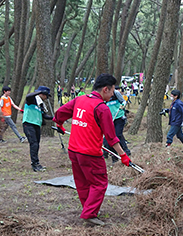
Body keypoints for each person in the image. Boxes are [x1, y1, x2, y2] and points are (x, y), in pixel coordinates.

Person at [53, 74, 131, 226]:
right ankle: (89, 214)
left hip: (74, 150)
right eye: (113, 91)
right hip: (90, 153)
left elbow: (60, 113)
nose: (114, 94)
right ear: (105, 89)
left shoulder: (80, 99)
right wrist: (123, 155)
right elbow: (111, 137)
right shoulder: (102, 108)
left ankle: (88, 209)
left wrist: (59, 124)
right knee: (100, 183)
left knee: (82, 182)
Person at [22, 86, 53, 172]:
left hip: (36, 125)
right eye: (46, 95)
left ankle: (37, 162)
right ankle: (35, 164)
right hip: (28, 124)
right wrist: (39, 92)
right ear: (42, 94)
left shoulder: (41, 104)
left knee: (37, 144)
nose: (46, 98)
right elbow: (28, 96)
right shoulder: (32, 100)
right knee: (34, 144)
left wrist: (54, 118)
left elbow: (44, 116)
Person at [103, 86, 131, 162]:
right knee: (110, 137)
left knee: (117, 135)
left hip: (119, 117)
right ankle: (114, 156)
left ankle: (126, 151)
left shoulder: (116, 93)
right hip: (110, 119)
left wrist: (123, 105)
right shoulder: (104, 95)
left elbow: (124, 101)